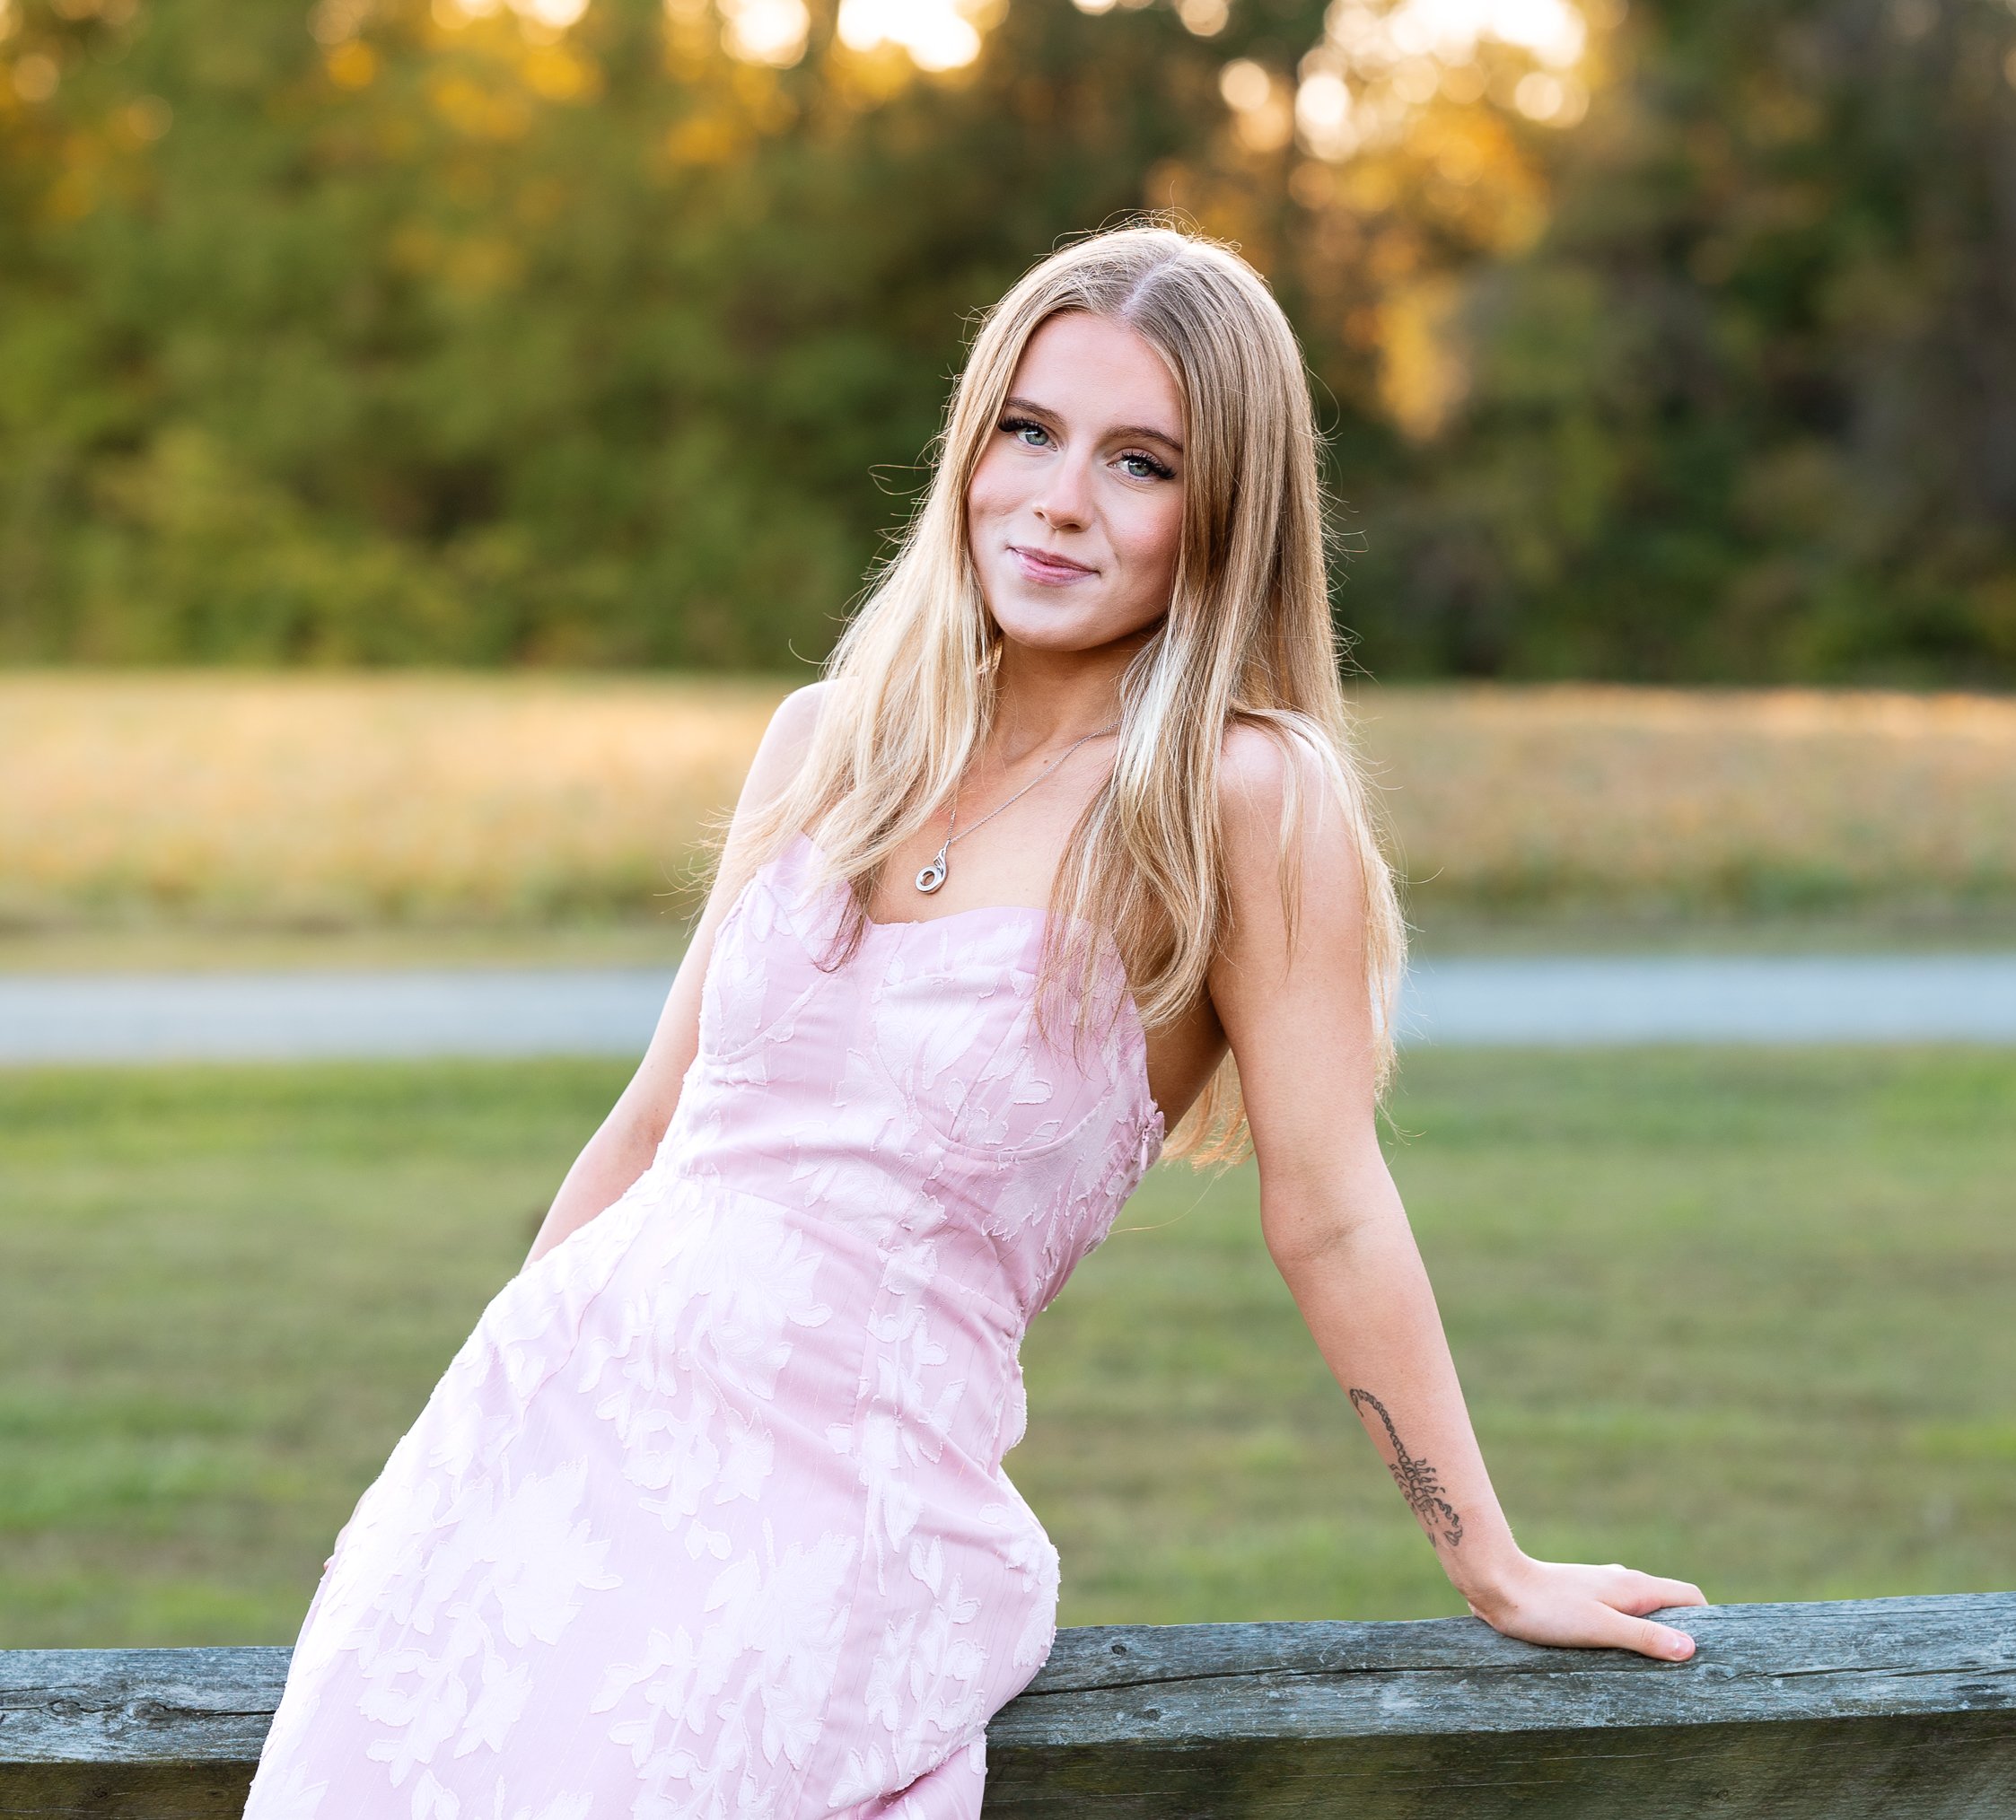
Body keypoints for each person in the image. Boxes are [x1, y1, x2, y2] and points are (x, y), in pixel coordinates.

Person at [242, 223, 1705, 1820]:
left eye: (1140, 462)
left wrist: (1484, 1556)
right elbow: (659, 1121)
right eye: (1028, 430)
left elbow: (1333, 1212)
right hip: (549, 1447)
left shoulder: (1236, 795)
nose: (1059, 499)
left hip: (833, 1523)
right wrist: (480, 1436)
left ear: (1228, 517)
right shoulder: (827, 740)